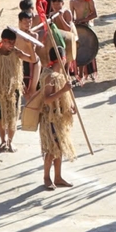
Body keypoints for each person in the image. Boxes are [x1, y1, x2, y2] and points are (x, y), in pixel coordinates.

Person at [38, 48, 77, 189]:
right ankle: (47, 177)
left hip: (59, 117)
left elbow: (64, 98)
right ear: (62, 58)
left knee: (59, 148)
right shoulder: (49, 76)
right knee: (52, 149)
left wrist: (71, 106)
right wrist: (63, 90)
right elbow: (47, 99)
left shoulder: (60, 75)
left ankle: (58, 177)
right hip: (50, 118)